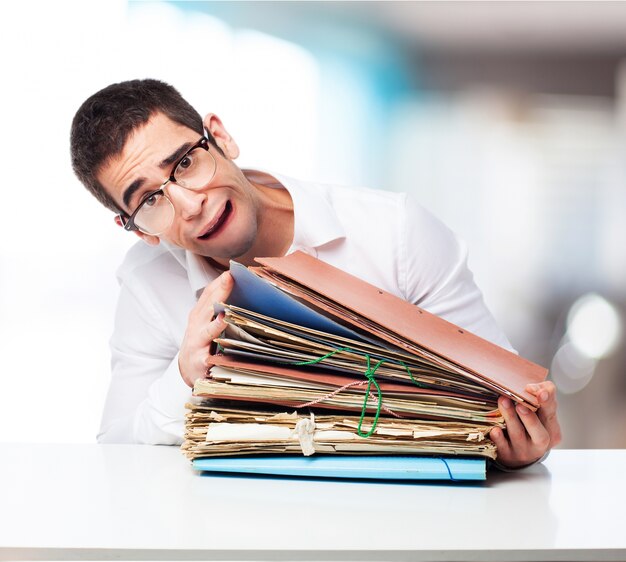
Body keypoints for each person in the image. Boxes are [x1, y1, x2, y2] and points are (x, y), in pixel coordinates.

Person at [70, 78, 561, 468]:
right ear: (139, 231)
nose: (190, 205)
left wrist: (517, 447)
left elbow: (503, 399)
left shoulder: (396, 232)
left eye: (186, 163)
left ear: (219, 137)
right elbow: (117, 453)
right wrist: (183, 374)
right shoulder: (147, 282)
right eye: (151, 201)